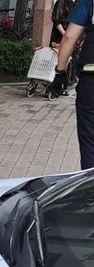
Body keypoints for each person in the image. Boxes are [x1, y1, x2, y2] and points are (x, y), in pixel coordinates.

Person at [51, 0, 94, 168]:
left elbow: (69, 37)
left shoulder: (89, 3)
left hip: (91, 82)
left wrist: (60, 72)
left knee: (90, 140)